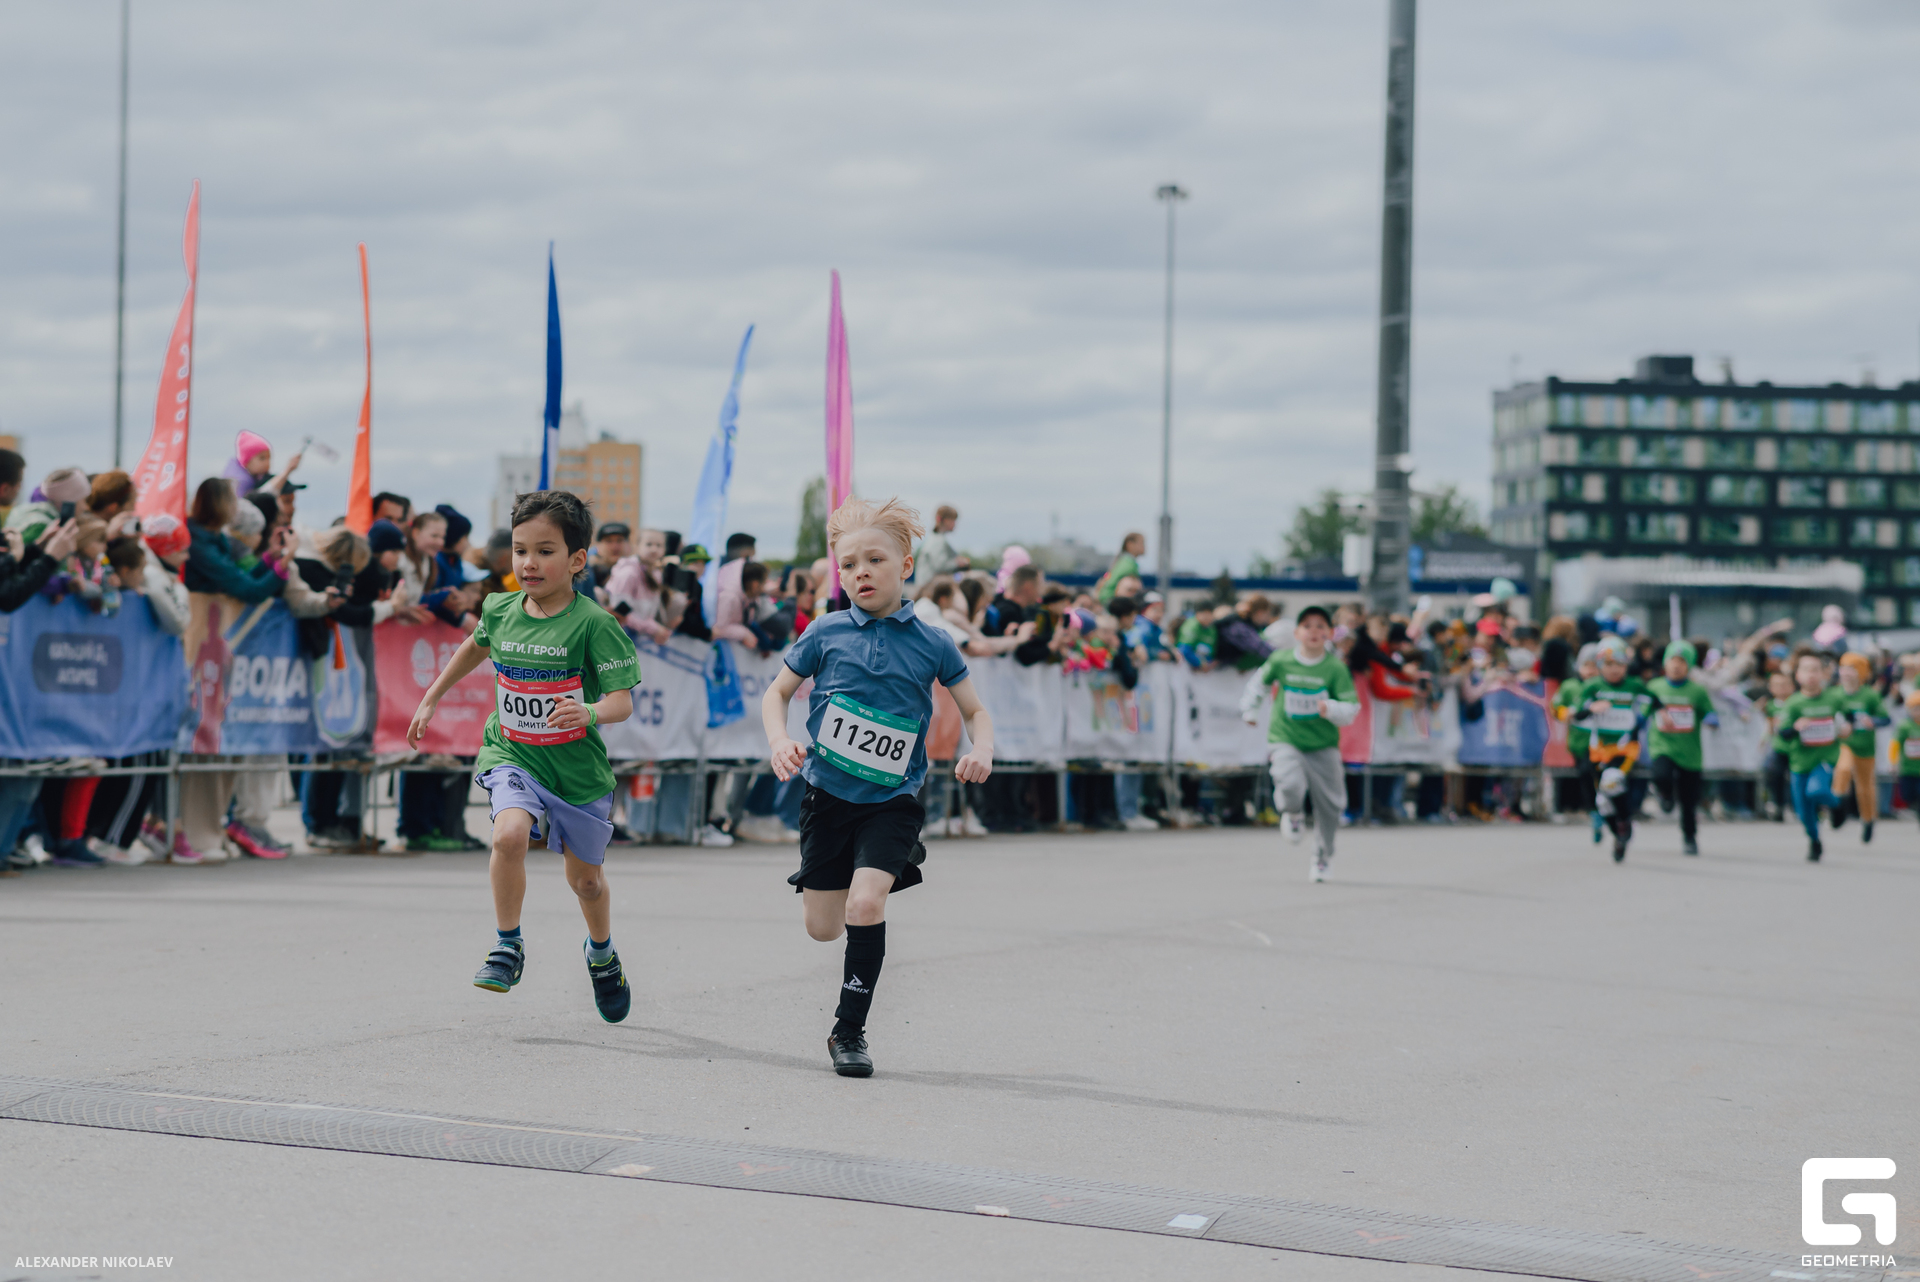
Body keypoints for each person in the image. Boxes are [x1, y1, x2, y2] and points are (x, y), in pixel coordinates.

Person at [762, 497, 995, 1078]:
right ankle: (851, 880)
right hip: (826, 797)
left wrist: (982, 748)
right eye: (848, 564)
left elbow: (975, 710)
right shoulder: (825, 631)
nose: (860, 572)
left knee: (866, 905)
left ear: (906, 566)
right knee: (823, 928)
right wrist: (779, 740)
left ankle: (849, 1031)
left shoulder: (935, 642)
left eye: (875, 560)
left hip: (893, 801)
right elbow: (777, 693)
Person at [407, 490, 642, 1020]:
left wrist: (588, 712)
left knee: (586, 882)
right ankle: (507, 945)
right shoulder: (499, 607)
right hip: (513, 752)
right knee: (509, 835)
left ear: (577, 560)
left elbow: (622, 702)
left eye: (544, 551)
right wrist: (432, 696)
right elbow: (475, 645)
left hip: (576, 771)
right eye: (519, 551)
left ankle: (602, 956)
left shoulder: (595, 623)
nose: (528, 563)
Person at [1241, 604, 1359, 882]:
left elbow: (1351, 708)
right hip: (1286, 738)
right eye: (1307, 626)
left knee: (1331, 806)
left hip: (1323, 744)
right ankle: (1292, 812)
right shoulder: (1281, 660)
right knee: (1288, 782)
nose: (1314, 632)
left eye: (1320, 626)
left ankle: (1322, 858)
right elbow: (1258, 684)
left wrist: (1330, 709)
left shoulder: (1335, 668)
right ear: (1296, 633)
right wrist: (1249, 710)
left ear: (1329, 633)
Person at [1567, 636, 1650, 862]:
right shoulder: (1592, 686)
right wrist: (1591, 708)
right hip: (1598, 749)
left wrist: (1642, 716)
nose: (1614, 669)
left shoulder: (1634, 685)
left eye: (1619, 664)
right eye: (1609, 664)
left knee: (1612, 781)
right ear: (1600, 665)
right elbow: (1576, 713)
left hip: (1624, 748)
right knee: (1602, 801)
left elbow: (1653, 702)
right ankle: (1620, 833)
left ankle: (1624, 822)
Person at [1645, 641, 1717, 856]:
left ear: (1690, 666)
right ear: (1665, 663)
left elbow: (1709, 711)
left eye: (1682, 662)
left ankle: (1689, 837)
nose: (1676, 666)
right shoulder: (1655, 687)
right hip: (1663, 745)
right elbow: (1643, 709)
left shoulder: (1697, 690)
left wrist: (1712, 719)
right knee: (1661, 775)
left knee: (1689, 800)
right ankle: (1665, 795)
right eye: (1672, 661)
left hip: (1690, 752)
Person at [1776, 648, 1847, 862]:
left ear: (1823, 674)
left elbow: (1849, 717)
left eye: (1816, 670)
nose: (1811, 675)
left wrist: (1848, 726)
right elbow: (1783, 732)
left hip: (1825, 758)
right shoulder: (1794, 703)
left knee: (1816, 790)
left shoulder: (1833, 699)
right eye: (1806, 670)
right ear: (1798, 675)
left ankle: (1838, 805)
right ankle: (1814, 841)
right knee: (1803, 811)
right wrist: (1796, 727)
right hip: (1800, 762)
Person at [1830, 652, 1889, 843]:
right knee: (1843, 769)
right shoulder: (1834, 694)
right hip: (1844, 744)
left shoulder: (1870, 695)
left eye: (1852, 669)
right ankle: (1838, 806)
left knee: (1865, 788)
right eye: (1844, 668)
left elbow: (1885, 718)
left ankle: (1868, 819)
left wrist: (1873, 721)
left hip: (1865, 747)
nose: (1847, 673)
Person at [221, 430, 303, 498]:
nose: (267, 463)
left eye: (269, 458)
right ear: (247, 461)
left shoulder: (253, 477)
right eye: (262, 458)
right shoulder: (241, 482)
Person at [1889, 690, 1920, 826]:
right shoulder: (1904, 726)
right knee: (1907, 795)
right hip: (1907, 769)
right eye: (1915, 708)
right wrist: (1893, 762)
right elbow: (1895, 745)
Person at [912, 505, 964, 583]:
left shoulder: (935, 538)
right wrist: (957, 563)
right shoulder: (937, 541)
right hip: (929, 586)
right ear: (945, 521)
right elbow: (939, 566)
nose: (955, 524)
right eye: (953, 520)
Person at [1093, 531, 1146, 605]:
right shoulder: (1128, 563)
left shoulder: (1124, 560)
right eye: (1142, 543)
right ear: (1130, 544)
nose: (1144, 546)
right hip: (1113, 602)